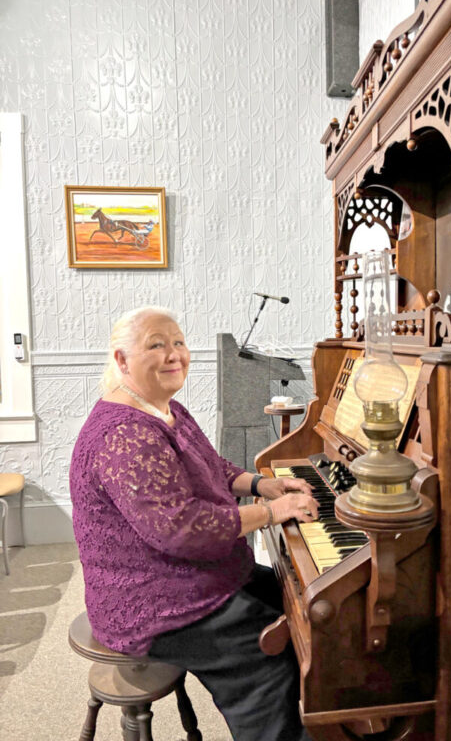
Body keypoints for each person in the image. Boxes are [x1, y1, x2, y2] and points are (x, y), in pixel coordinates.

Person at [69, 306, 318, 741]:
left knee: (306, 601)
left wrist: (261, 486)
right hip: (153, 604)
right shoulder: (127, 435)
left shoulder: (165, 409)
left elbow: (213, 467)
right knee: (267, 658)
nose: (174, 355)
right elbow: (182, 529)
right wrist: (272, 513)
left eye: (178, 342)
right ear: (122, 360)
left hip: (194, 577)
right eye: (156, 345)